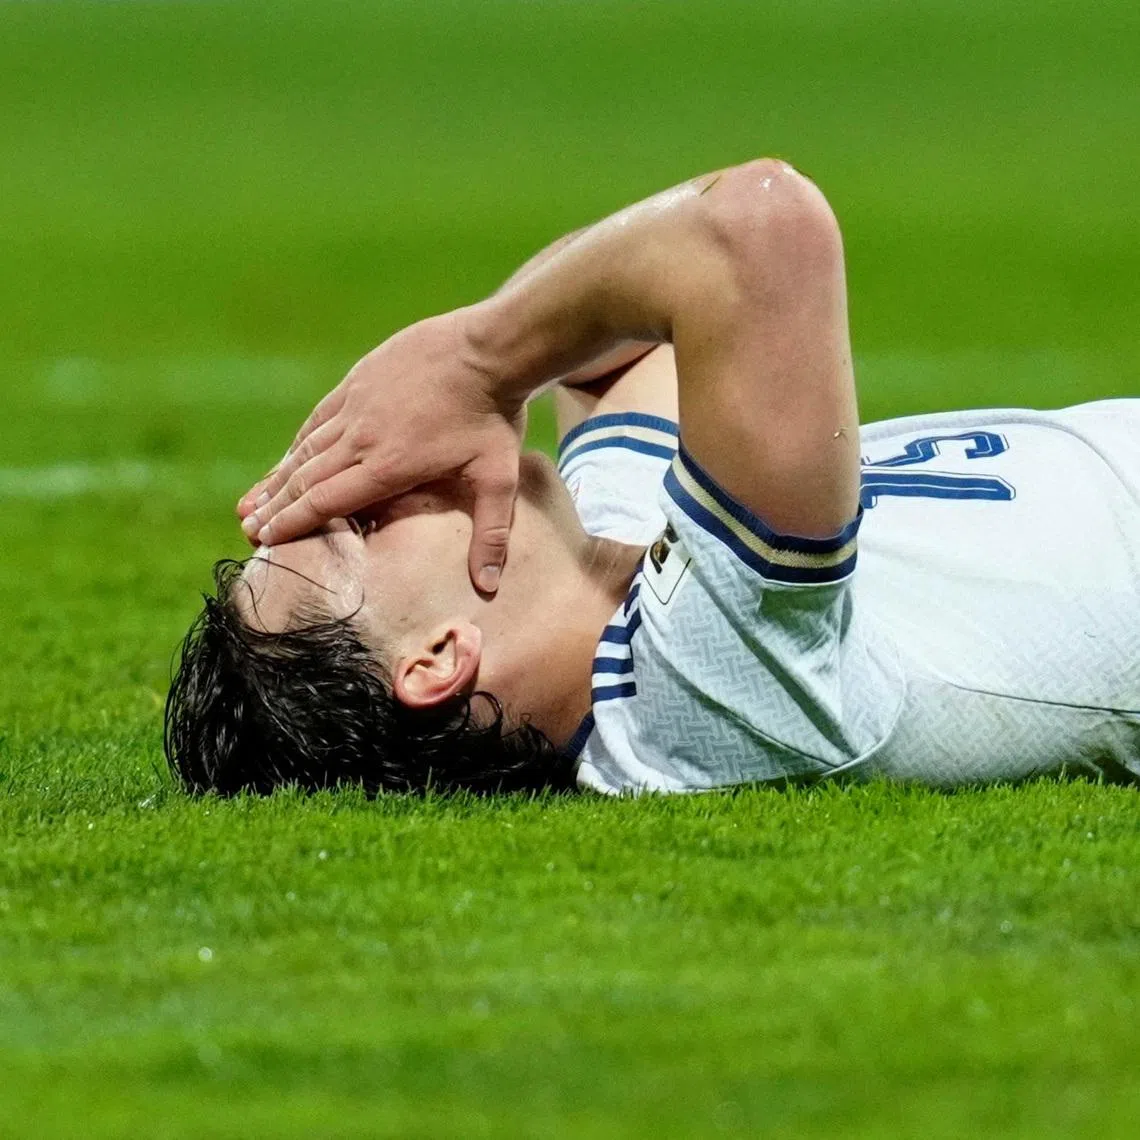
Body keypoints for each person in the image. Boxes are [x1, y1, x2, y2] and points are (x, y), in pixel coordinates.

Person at [165, 159, 1140, 796]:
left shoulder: (617, 557)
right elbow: (757, 231)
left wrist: (508, 360)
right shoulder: (696, 688)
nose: (391, 476)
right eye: (363, 524)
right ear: (435, 661)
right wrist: (476, 359)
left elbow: (609, 345)